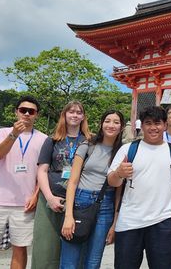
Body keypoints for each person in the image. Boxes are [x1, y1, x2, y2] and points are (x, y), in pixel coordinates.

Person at [108, 106, 171, 269]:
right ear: (142, 125)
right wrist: (119, 173)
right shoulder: (128, 149)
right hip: (129, 222)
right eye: (148, 123)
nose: (153, 127)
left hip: (163, 222)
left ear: (165, 125)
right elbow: (112, 181)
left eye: (157, 123)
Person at [0, 96, 47, 269]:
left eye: (31, 111)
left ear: (37, 115)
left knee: (20, 249)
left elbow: (43, 172)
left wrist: (36, 196)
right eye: (23, 110)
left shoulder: (43, 139)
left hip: (25, 203)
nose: (27, 114)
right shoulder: (3, 132)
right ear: (16, 112)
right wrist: (14, 134)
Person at [60, 109, 124, 269]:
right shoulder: (88, 145)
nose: (111, 125)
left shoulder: (122, 151)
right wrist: (68, 216)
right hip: (80, 201)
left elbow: (119, 191)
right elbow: (73, 181)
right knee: (70, 260)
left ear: (122, 127)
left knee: (93, 261)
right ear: (101, 124)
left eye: (116, 122)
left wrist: (115, 223)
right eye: (108, 121)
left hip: (106, 204)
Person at [31, 101, 91, 269]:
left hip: (78, 201)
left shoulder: (88, 141)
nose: (75, 115)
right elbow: (42, 171)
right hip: (50, 199)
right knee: (45, 248)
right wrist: (49, 198)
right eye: (71, 111)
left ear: (83, 117)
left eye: (79, 112)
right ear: (64, 115)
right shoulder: (53, 140)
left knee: (75, 249)